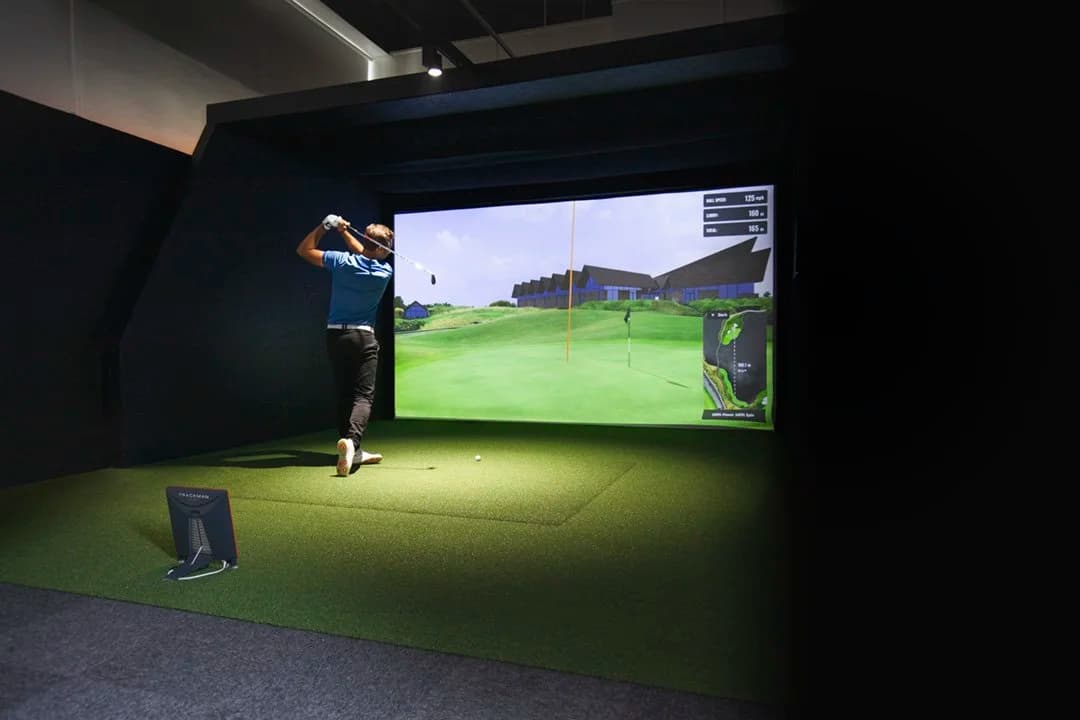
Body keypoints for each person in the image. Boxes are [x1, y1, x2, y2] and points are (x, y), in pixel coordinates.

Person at [296, 214, 394, 476]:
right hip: (363, 337)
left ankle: (353, 449)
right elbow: (369, 252)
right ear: (384, 249)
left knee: (344, 393)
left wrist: (328, 226)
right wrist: (344, 232)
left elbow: (304, 250)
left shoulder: (341, 261)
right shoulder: (385, 271)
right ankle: (352, 443)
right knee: (363, 396)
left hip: (336, 337)